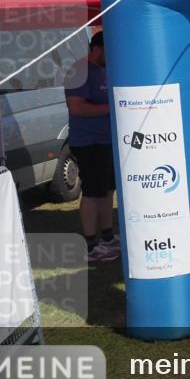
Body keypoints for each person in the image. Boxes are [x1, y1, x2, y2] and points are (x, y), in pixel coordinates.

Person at [64, 31, 119, 262]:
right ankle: (90, 246)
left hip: (106, 140)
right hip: (88, 142)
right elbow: (76, 108)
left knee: (107, 190)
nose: (112, 56)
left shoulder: (103, 70)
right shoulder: (78, 71)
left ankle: (107, 237)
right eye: (109, 51)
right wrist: (111, 108)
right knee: (92, 192)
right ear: (97, 48)